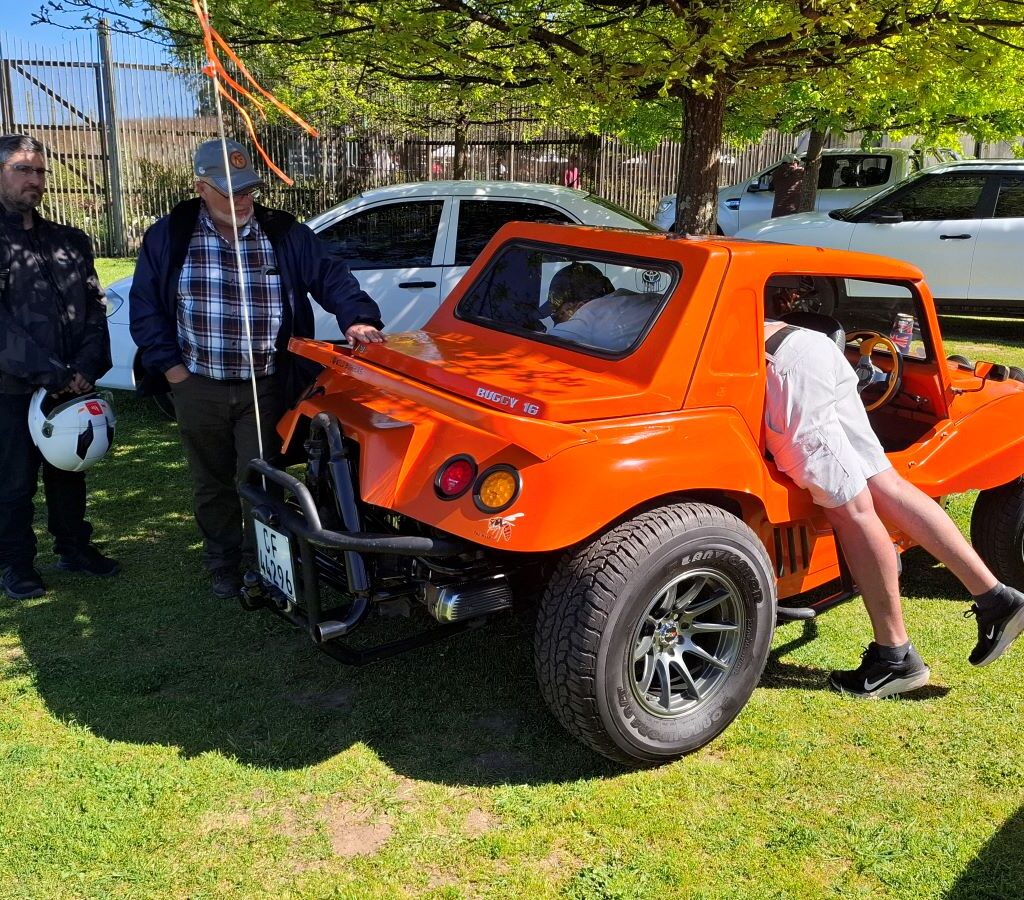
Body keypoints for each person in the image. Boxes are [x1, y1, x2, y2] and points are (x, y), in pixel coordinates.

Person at [129, 139, 384, 600]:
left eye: (249, 190)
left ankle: (268, 563)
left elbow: (332, 277)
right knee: (211, 481)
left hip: (264, 385)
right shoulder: (169, 235)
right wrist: (171, 370)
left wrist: (357, 316)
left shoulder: (283, 232)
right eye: (231, 192)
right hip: (197, 384)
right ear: (201, 188)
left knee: (264, 478)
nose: (244, 200)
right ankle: (223, 562)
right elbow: (145, 308)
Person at [764, 319, 1024, 697]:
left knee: (850, 509)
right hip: (807, 345)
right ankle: (995, 598)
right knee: (882, 483)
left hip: (780, 362)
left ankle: (895, 656)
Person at [0, 134, 119, 600]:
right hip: (12, 387)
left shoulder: (68, 241)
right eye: (22, 169)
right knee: (13, 482)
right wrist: (49, 372)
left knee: (70, 469)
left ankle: (74, 547)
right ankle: (16, 565)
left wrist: (86, 366)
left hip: (72, 382)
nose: (35, 179)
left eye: (41, 171)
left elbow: (94, 305)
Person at [771, 153, 805, 218]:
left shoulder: (775, 173)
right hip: (791, 212)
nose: (798, 165)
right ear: (793, 162)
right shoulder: (799, 172)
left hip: (776, 212)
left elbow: (772, 186)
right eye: (797, 163)